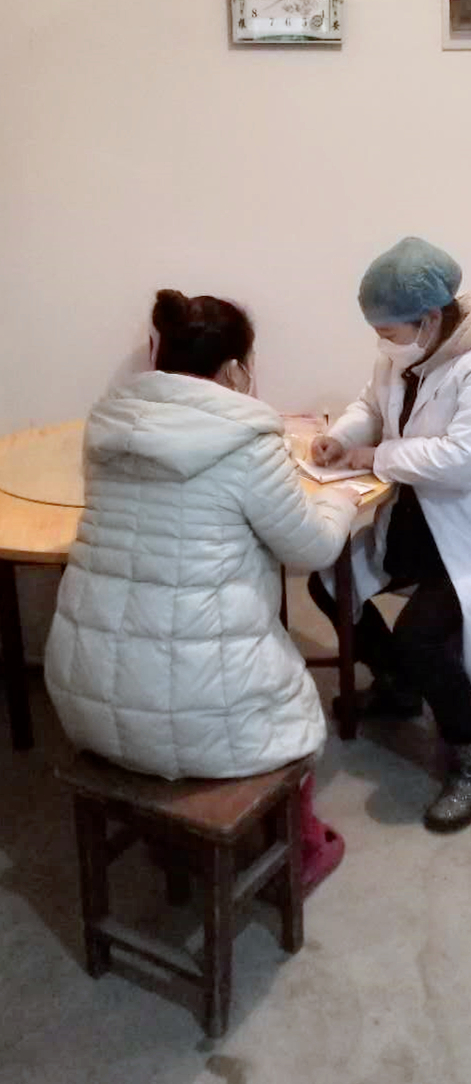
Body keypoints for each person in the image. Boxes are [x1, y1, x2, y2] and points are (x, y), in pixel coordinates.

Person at [45, 289, 359, 891]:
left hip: (84, 700)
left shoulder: (108, 427)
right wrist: (340, 501)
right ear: (236, 369)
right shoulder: (248, 442)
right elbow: (312, 548)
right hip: (204, 715)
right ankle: (300, 852)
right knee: (296, 706)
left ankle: (165, 834)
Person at [307, 237, 471, 834]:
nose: (383, 343)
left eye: (389, 331)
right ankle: (398, 686)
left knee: (420, 634)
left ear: (431, 317)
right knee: (326, 582)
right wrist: (342, 437)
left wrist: (374, 455)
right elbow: (370, 406)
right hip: (416, 521)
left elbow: (462, 461)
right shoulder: (406, 354)